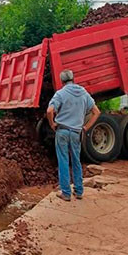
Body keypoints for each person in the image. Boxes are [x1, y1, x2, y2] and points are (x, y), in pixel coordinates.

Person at [46, 69, 100, 201]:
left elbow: (49, 110)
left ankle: (66, 193)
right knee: (76, 161)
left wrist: (52, 124)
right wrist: (86, 127)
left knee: (63, 160)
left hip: (63, 131)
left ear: (62, 81)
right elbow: (96, 112)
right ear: (73, 78)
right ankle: (79, 191)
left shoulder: (60, 94)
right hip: (76, 132)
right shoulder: (83, 93)